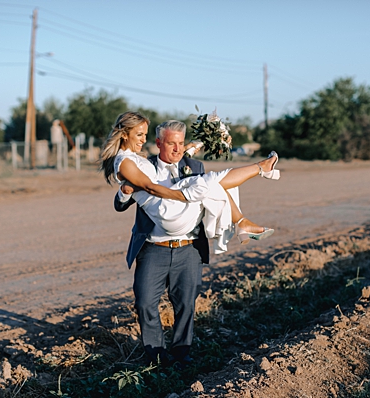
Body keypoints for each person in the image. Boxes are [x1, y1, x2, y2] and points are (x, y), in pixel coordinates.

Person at [96, 113, 276, 365]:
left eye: (181, 144)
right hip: (155, 244)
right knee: (145, 302)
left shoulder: (190, 164)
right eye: (170, 143)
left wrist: (195, 146)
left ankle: (181, 356)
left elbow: (177, 155)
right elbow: (141, 190)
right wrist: (136, 193)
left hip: (187, 247)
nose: (178, 149)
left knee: (185, 305)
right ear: (159, 144)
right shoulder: (133, 163)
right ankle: (156, 358)